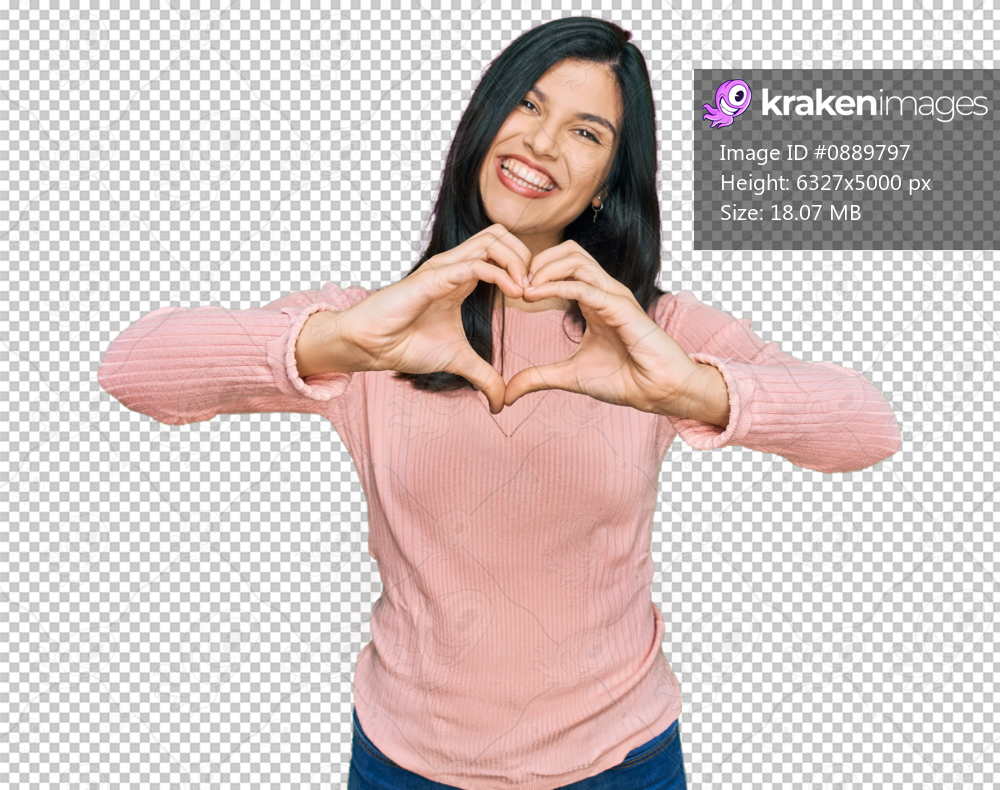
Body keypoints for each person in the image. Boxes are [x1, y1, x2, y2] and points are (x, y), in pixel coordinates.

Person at [97, 17, 902, 790]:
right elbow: (130, 367)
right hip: (406, 761)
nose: (543, 143)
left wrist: (690, 387)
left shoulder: (654, 331)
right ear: (485, 124)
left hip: (621, 761)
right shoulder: (376, 320)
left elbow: (869, 425)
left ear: (604, 187)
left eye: (587, 133)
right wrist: (336, 343)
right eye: (528, 104)